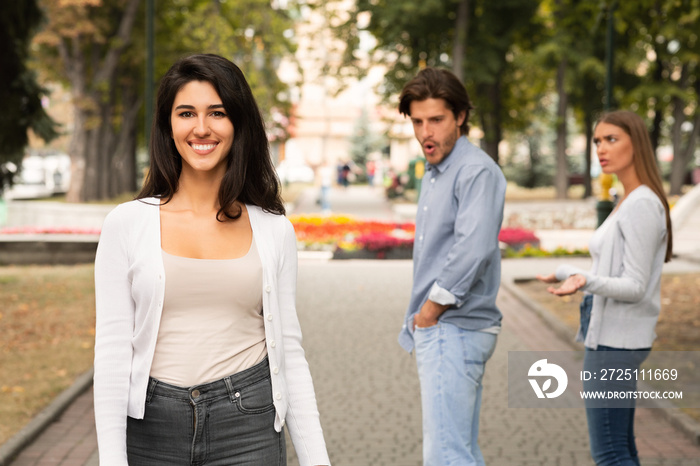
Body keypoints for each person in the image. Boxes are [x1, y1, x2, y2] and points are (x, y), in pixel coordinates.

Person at [93, 54, 330, 466]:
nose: (201, 128)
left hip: (248, 424)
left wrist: (318, 460)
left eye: (217, 113)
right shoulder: (126, 225)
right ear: (169, 125)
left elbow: (289, 352)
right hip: (151, 425)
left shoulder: (274, 230)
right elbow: (113, 352)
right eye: (187, 113)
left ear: (238, 124)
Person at [536, 110, 672, 466]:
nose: (601, 148)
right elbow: (610, 268)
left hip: (616, 343)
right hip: (614, 340)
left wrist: (586, 282)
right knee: (622, 448)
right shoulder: (627, 201)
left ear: (636, 144)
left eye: (612, 139)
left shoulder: (641, 203)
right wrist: (567, 271)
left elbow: (635, 286)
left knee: (610, 454)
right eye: (598, 141)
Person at [397, 67, 507, 465]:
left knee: (447, 455)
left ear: (460, 117)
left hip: (453, 326)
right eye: (418, 121)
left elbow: (473, 249)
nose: (426, 132)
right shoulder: (436, 170)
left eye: (437, 120)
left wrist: (429, 312)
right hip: (446, 328)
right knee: (458, 451)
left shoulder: (475, 170)